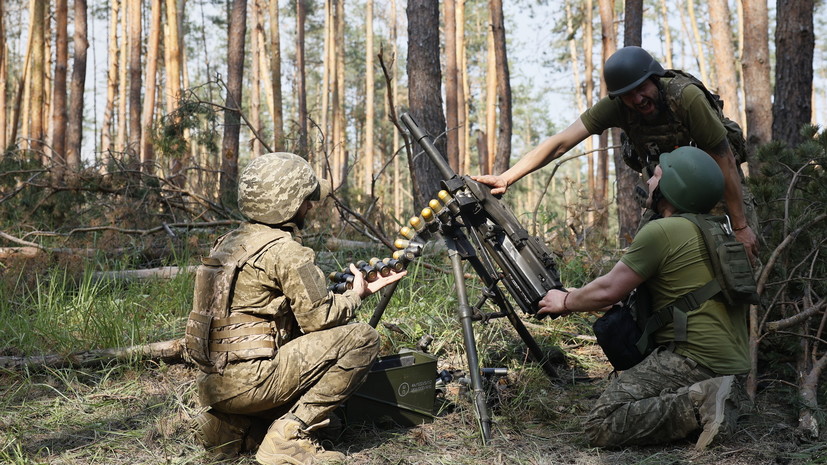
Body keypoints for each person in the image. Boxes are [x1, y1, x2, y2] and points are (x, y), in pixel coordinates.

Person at [190, 152, 406, 464]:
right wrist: (357, 294)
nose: (310, 206)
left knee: (334, 418)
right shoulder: (286, 251)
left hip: (214, 386)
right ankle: (290, 435)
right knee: (362, 338)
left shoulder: (228, 243)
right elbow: (321, 320)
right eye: (306, 199)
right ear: (289, 203)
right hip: (254, 383)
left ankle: (233, 426)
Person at [537, 146, 750, 449]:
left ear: (674, 188)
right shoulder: (715, 230)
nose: (649, 182)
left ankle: (700, 402)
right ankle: (725, 395)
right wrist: (577, 294)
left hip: (696, 360)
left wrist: (565, 302)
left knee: (601, 423)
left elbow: (610, 288)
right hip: (733, 363)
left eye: (657, 177)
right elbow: (642, 293)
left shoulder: (663, 231)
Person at [473, 46, 758, 261]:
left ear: (655, 78)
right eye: (628, 94)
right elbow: (561, 142)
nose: (637, 99)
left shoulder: (686, 97)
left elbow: (725, 161)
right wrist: (507, 177)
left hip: (716, 186)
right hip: (668, 194)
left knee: (733, 264)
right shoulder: (617, 106)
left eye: (642, 88)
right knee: (646, 263)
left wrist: (741, 225)